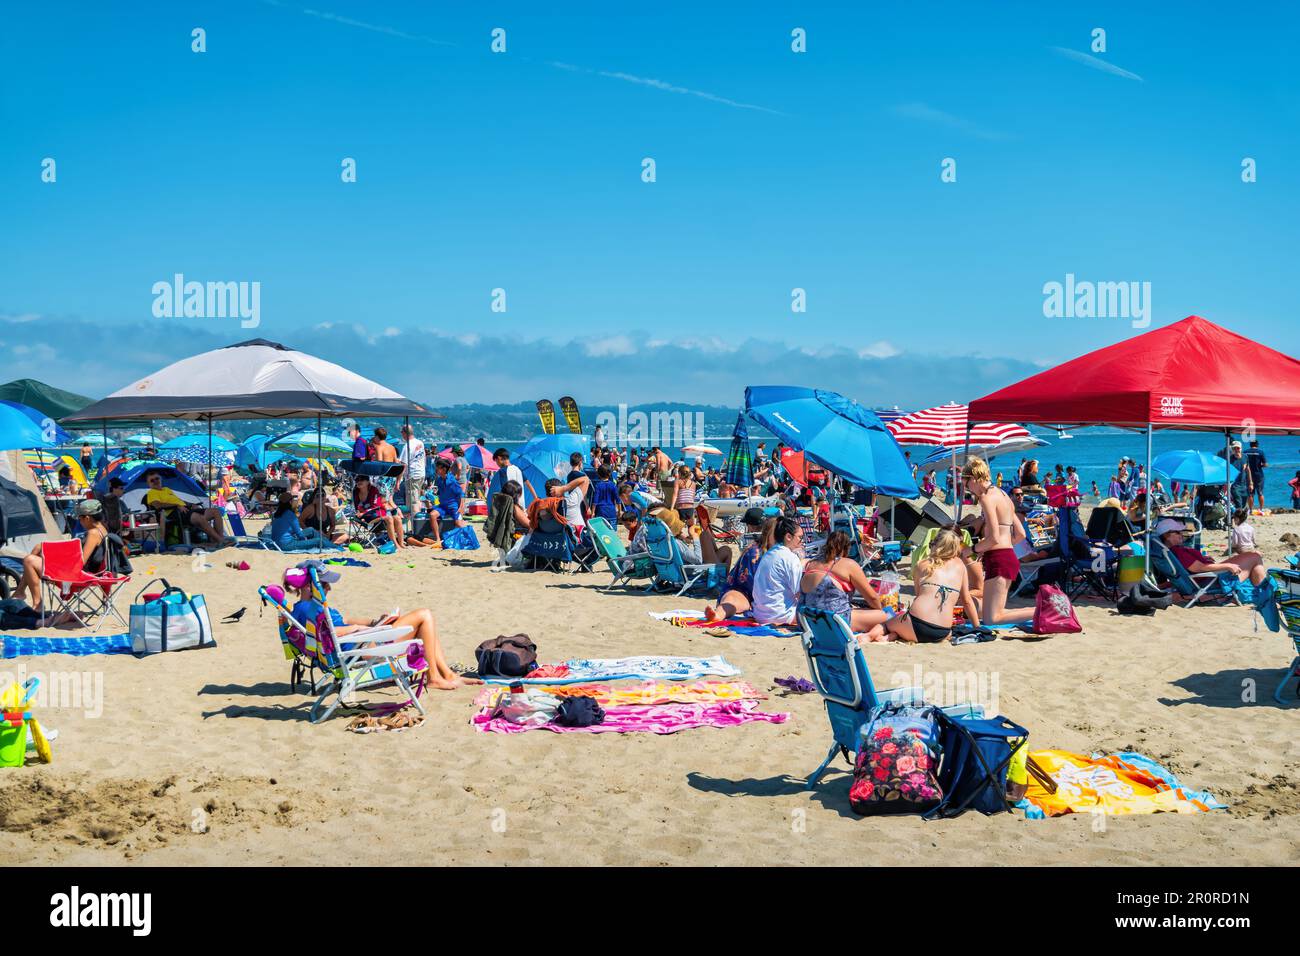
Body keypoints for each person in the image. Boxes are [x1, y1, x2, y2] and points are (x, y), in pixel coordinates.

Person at [287, 561, 478, 691]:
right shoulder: (307, 609)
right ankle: (434, 678)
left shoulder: (306, 608)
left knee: (425, 625)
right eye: (324, 583)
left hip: (358, 643)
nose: (328, 588)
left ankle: (449, 674)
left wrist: (373, 622)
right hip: (361, 647)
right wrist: (361, 630)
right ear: (307, 586)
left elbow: (341, 621)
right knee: (424, 616)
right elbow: (328, 634)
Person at [962, 457, 1034, 625]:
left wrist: (973, 549)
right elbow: (1021, 533)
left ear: (973, 478)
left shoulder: (986, 498)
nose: (969, 490)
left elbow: (993, 537)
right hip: (1006, 556)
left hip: (999, 559)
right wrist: (999, 547)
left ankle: (1044, 609)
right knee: (991, 612)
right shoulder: (1003, 495)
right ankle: (1040, 610)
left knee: (992, 618)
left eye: (967, 485)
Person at [14, 499, 113, 613]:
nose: (79, 522)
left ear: (87, 518)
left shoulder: (93, 533)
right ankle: (20, 591)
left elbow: (81, 562)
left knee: (29, 560)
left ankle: (37, 603)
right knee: (38, 548)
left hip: (79, 576)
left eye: (80, 519)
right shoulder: (103, 529)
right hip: (91, 572)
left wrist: (61, 559)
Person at [799, 530, 890, 634]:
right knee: (888, 616)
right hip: (832, 622)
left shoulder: (810, 563)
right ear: (847, 548)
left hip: (805, 620)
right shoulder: (849, 564)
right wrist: (879, 609)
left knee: (858, 610)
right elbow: (872, 597)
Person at [704, 511, 773, 622]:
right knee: (732, 598)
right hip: (762, 596)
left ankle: (719, 613)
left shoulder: (752, 550)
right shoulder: (781, 553)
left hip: (750, 594)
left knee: (732, 597)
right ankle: (718, 614)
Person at [1155, 517, 1266, 586]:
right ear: (1166, 535)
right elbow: (1200, 568)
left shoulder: (1173, 551)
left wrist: (1204, 559)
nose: (1182, 534)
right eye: (1178, 532)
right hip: (1210, 579)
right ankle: (1264, 590)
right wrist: (1228, 566)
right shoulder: (1178, 552)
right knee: (1255, 557)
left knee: (1254, 557)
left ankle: (1263, 589)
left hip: (1207, 575)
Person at [142, 469, 227, 546]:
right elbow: (158, 505)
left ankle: (219, 538)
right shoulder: (151, 493)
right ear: (149, 484)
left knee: (215, 511)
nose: (155, 481)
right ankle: (220, 540)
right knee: (199, 518)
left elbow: (179, 500)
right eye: (152, 480)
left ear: (160, 479)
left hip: (185, 510)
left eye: (157, 478)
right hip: (173, 513)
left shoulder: (166, 489)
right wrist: (177, 505)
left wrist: (191, 504)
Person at [750, 516, 805, 626]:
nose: (802, 542)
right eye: (800, 537)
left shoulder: (768, 554)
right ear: (788, 537)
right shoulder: (790, 557)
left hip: (760, 615)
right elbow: (799, 593)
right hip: (781, 616)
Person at [352, 473, 403, 548]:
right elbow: (357, 508)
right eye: (357, 480)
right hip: (367, 519)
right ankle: (395, 544)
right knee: (389, 518)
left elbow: (376, 506)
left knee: (397, 518)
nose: (358, 481)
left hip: (377, 515)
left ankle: (401, 543)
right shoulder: (355, 492)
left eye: (361, 479)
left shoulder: (373, 490)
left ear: (367, 481)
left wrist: (364, 512)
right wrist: (359, 513)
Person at [396, 425, 427, 514]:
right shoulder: (420, 443)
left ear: (404, 433)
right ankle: (416, 521)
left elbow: (403, 465)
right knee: (416, 499)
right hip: (421, 473)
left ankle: (416, 525)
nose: (402, 435)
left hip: (412, 475)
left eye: (402, 432)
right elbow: (423, 458)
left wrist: (398, 481)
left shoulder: (407, 446)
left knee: (413, 502)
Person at [561, 453, 591, 532]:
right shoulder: (582, 476)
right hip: (580, 502)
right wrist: (587, 506)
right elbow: (583, 493)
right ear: (580, 462)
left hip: (572, 501)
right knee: (582, 525)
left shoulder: (569, 475)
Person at [1245, 440, 1267, 510]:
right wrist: (1260, 466)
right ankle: (1261, 509)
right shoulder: (1260, 452)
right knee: (1260, 493)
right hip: (1259, 474)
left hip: (1249, 475)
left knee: (1250, 493)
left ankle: (1251, 509)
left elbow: (1244, 463)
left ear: (1250, 444)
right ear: (1257, 445)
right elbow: (1265, 464)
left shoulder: (1245, 452)